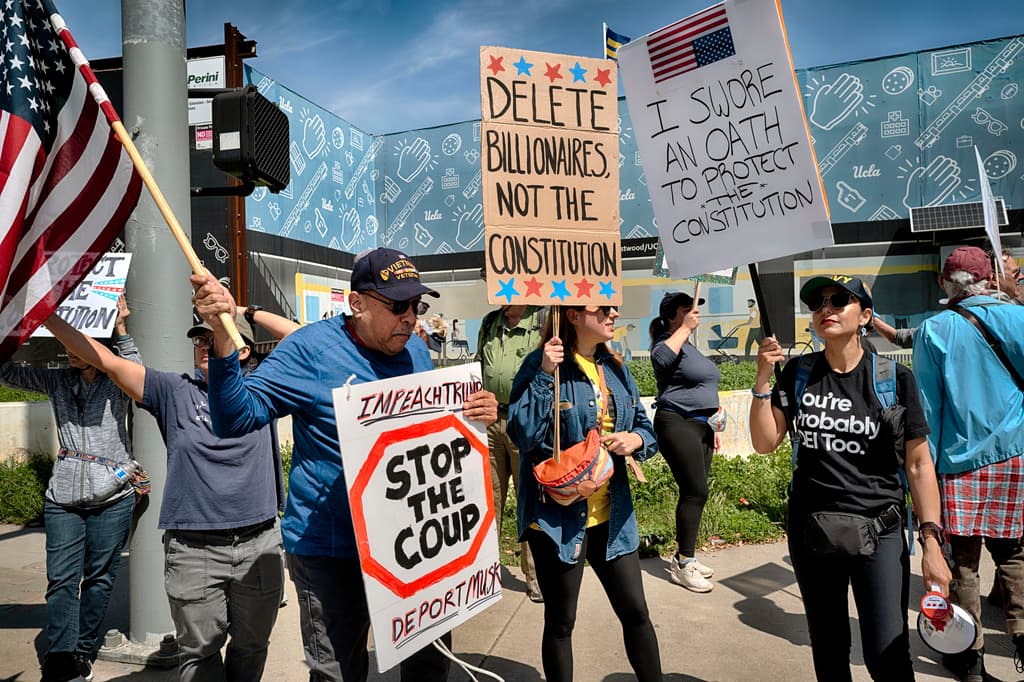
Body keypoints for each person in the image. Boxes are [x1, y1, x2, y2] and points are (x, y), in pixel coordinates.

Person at [190, 247, 498, 682]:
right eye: (397, 306)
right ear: (357, 304)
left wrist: (477, 411)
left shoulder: (416, 352)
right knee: (338, 671)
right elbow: (235, 418)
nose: (410, 318)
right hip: (331, 547)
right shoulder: (308, 350)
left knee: (429, 664)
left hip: (413, 542)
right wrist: (223, 340)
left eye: (417, 305)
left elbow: (436, 434)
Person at [43, 305, 295, 682]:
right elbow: (107, 361)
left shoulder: (265, 387)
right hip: (193, 550)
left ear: (243, 349)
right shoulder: (172, 390)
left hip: (258, 543)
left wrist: (244, 310)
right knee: (198, 653)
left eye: (215, 336)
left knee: (253, 647)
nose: (205, 346)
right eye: (200, 340)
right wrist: (44, 315)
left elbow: (305, 341)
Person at [749, 274, 950, 681]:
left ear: (865, 315)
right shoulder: (799, 374)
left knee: (886, 656)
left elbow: (918, 465)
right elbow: (765, 442)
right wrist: (762, 380)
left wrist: (932, 542)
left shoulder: (893, 379)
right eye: (818, 303)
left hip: (880, 529)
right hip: (812, 531)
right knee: (829, 651)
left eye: (839, 300)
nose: (826, 309)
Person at [508, 304, 663, 682]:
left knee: (636, 613)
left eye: (614, 308)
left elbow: (646, 427)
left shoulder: (616, 366)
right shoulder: (541, 363)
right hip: (556, 520)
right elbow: (522, 434)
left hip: (613, 517)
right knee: (561, 621)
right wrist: (545, 375)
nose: (613, 314)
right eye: (602, 309)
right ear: (573, 316)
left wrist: (635, 438)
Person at [1, 299, 139, 682]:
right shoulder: (55, 379)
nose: (70, 351)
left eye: (80, 343)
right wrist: (13, 327)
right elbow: (6, 372)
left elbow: (141, 373)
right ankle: (61, 656)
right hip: (62, 498)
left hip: (113, 496)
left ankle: (84, 649)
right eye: (68, 344)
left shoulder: (118, 379)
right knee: (61, 580)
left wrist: (122, 327)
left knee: (99, 577)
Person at [912, 246, 1024, 681]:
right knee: (1015, 552)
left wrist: (925, 474)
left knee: (963, 562)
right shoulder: (1018, 317)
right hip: (1015, 456)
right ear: (988, 280)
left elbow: (928, 410)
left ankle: (968, 653)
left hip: (957, 462)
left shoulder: (933, 330)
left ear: (945, 283)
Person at [648, 291, 720, 593]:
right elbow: (660, 358)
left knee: (697, 494)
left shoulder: (689, 346)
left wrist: (712, 424)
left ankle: (685, 554)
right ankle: (683, 565)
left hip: (701, 427)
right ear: (671, 316)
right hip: (676, 422)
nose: (695, 313)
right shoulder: (670, 342)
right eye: (687, 309)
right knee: (695, 491)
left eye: (696, 308)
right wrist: (685, 329)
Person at [476, 303, 546, 602]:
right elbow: (479, 367)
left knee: (529, 502)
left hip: (524, 424)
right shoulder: (490, 322)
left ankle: (535, 576)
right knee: (487, 500)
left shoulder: (542, 319)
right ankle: (486, 575)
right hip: (489, 423)